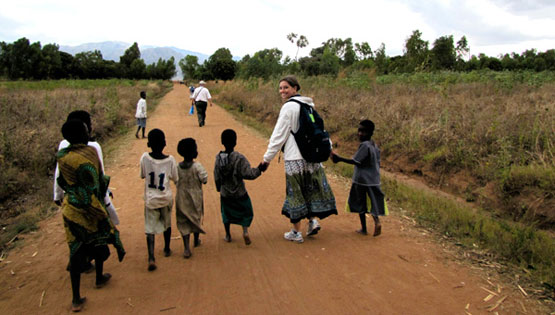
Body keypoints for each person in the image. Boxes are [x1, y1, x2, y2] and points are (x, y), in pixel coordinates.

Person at [56, 120, 125, 312]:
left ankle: (76, 298)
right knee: (99, 239)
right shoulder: (91, 153)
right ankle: (99, 278)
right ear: (81, 135)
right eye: (86, 131)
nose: (89, 133)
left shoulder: (62, 156)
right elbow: (99, 178)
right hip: (92, 206)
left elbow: (61, 181)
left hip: (72, 209)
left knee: (76, 250)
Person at [260, 75, 337, 243]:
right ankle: (312, 221)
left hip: (295, 158)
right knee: (309, 189)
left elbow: (278, 136)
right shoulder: (308, 105)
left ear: (295, 88)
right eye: (280, 88)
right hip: (312, 158)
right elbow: (320, 129)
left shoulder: (289, 108)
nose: (282, 91)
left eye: (286, 87)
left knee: (295, 192)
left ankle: (296, 232)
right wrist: (329, 148)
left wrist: (267, 159)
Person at [54, 110, 119, 226]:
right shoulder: (93, 147)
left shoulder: (63, 145)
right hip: (92, 199)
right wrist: (106, 200)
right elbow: (100, 176)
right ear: (85, 129)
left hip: (71, 200)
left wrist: (57, 194)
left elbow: (59, 173)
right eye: (89, 125)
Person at [331, 120, 385, 236]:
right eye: (359, 131)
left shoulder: (364, 145)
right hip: (374, 179)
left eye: (363, 131)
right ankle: (377, 221)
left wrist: (339, 159)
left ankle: (364, 229)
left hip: (361, 179)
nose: (360, 134)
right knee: (373, 202)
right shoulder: (373, 145)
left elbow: (356, 161)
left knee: (361, 203)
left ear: (370, 132)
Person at [215, 129, 266, 245]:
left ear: (222, 142)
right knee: (246, 211)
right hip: (240, 192)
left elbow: (216, 175)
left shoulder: (218, 159)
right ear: (235, 142)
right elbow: (249, 174)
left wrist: (219, 188)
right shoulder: (239, 158)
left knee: (226, 214)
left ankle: (228, 235)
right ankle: (245, 231)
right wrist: (259, 169)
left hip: (225, 193)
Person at [139, 129, 178, 271]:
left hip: (151, 199)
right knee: (167, 224)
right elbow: (175, 177)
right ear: (164, 143)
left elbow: (143, 175)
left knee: (150, 228)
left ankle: (151, 257)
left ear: (148, 143)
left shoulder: (144, 158)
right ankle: (167, 248)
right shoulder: (170, 160)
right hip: (165, 198)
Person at [175, 138, 208, 258]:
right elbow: (204, 179)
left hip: (181, 197)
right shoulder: (197, 166)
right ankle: (196, 239)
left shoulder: (177, 167)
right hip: (195, 197)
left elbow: (174, 179)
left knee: (183, 221)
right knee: (195, 218)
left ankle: (186, 248)